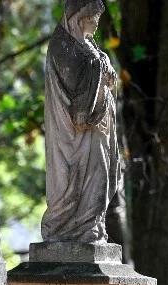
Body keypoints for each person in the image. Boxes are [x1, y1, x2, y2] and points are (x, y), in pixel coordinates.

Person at [42, 0, 123, 243]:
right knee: (85, 179)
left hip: (99, 130)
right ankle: (75, 229)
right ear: (79, 17)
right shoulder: (61, 47)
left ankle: (92, 227)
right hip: (76, 135)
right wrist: (98, 67)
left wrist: (106, 72)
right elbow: (76, 95)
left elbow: (102, 79)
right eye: (93, 16)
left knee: (100, 178)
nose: (97, 22)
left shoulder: (90, 45)